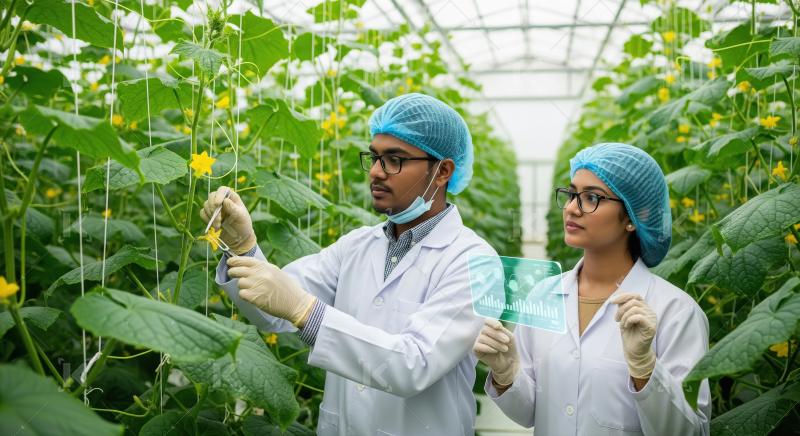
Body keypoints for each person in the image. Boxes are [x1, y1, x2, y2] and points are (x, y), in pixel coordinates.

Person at [201, 93, 496, 435]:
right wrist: (243, 246)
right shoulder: (357, 245)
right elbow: (271, 311)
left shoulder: (474, 261)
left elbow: (414, 365)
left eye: (394, 159)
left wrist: (305, 310)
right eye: (373, 157)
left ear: (443, 171)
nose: (375, 172)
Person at [473, 143, 711, 435]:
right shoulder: (543, 296)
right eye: (572, 194)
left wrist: (646, 370)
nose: (572, 208)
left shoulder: (676, 312)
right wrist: (505, 373)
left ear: (634, 218)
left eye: (592, 198)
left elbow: (693, 431)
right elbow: (528, 413)